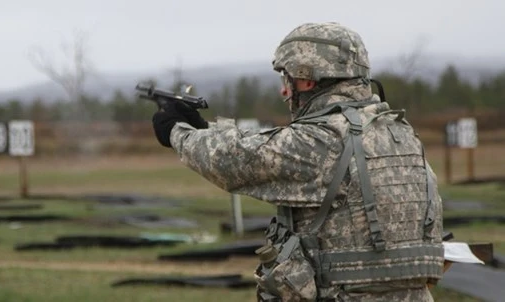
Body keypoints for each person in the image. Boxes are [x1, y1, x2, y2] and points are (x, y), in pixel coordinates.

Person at [151, 22, 445, 301]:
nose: (284, 91)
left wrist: (177, 132)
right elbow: (270, 146)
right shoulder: (399, 132)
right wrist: (206, 129)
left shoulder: (323, 140)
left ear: (306, 79)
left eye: (286, 79)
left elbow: (234, 160)